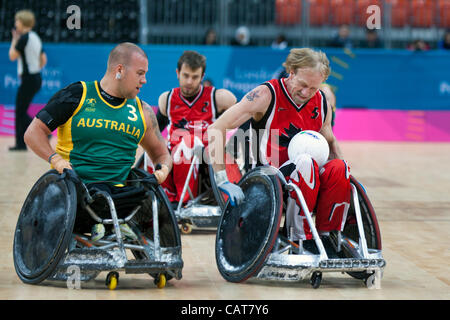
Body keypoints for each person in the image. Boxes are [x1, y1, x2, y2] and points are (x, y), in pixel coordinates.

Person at [207, 48, 351, 256]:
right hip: (268, 180)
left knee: (339, 167)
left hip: (306, 179)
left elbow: (331, 143)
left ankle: (329, 236)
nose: (306, 93)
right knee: (305, 163)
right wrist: (222, 179)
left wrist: (344, 179)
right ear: (291, 72)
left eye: (313, 88)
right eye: (302, 85)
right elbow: (216, 129)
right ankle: (299, 238)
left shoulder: (321, 102)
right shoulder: (265, 95)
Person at [24, 42, 172, 241]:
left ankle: (114, 227)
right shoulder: (78, 95)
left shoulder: (142, 111)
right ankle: (105, 228)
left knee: (142, 191)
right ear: (119, 70)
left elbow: (162, 154)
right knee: (100, 192)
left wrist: (162, 171)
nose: (144, 80)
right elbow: (33, 133)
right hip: (75, 193)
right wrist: (56, 161)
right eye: (140, 73)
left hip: (122, 199)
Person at [155, 50, 236, 205]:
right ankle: (163, 198)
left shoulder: (219, 98)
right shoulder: (167, 99)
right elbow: (154, 133)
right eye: (185, 76)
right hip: (173, 159)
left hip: (205, 160)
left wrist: (233, 150)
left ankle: (181, 201)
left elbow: (244, 120)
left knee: (189, 142)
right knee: (152, 151)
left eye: (194, 77)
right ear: (177, 73)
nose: (189, 82)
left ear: (202, 77)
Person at [8, 10, 47, 151]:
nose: (15, 23)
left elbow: (12, 55)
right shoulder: (35, 37)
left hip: (29, 79)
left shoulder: (23, 38)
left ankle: (22, 143)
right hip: (36, 77)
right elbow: (44, 59)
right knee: (21, 111)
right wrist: (34, 68)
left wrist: (14, 39)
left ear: (22, 22)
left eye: (17, 21)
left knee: (20, 112)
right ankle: (28, 139)